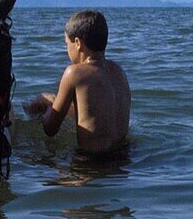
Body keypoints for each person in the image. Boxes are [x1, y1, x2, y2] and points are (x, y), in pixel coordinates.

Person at [25, 10, 131, 155]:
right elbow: (94, 113)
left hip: (91, 163)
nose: (66, 49)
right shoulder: (119, 71)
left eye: (66, 44)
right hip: (124, 158)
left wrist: (48, 104)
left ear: (77, 43)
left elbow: (50, 129)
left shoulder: (74, 73)